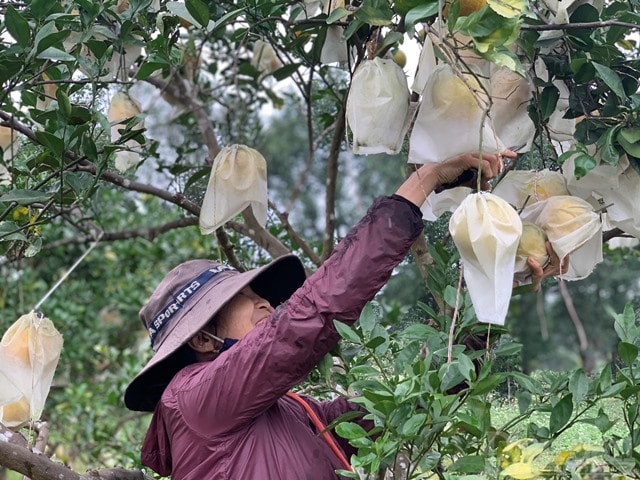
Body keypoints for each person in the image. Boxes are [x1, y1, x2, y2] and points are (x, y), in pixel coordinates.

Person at [124, 150, 561, 479]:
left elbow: (410, 403)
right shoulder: (192, 399)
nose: (266, 304)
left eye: (263, 295)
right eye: (248, 298)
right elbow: (307, 318)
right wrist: (424, 181)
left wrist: (497, 282)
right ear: (202, 339)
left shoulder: (294, 412)